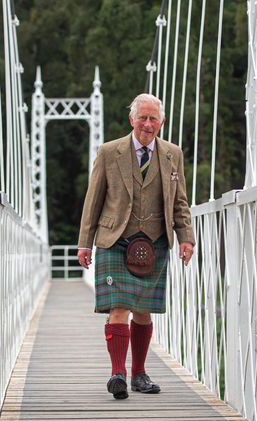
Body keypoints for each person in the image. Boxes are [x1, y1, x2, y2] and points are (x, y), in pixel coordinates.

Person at [77, 93, 195, 400]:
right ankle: (118, 372)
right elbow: (94, 200)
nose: (147, 124)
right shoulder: (108, 152)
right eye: (142, 117)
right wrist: (84, 244)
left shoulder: (172, 154)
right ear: (131, 119)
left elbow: (180, 201)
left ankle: (140, 373)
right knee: (119, 308)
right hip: (115, 239)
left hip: (154, 242)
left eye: (153, 118)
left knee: (143, 311)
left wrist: (186, 237)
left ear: (162, 121)